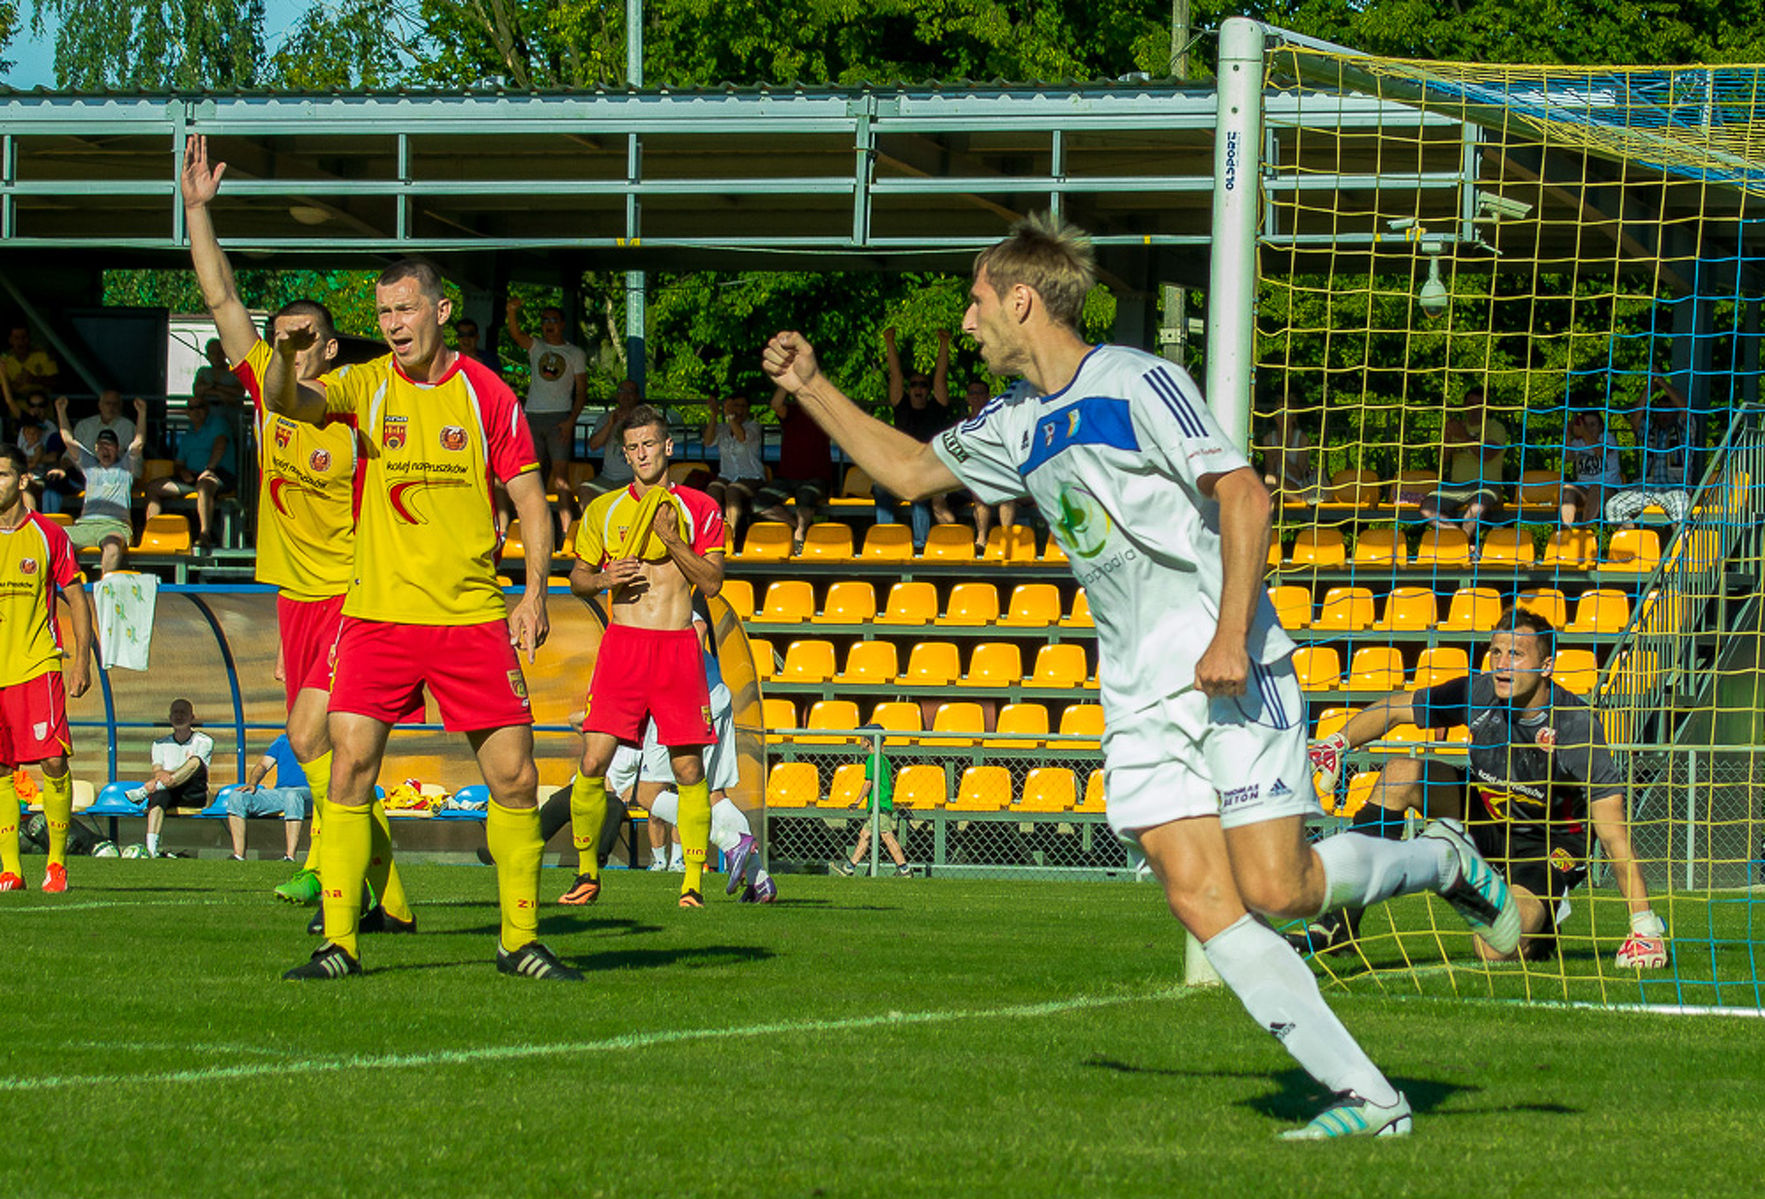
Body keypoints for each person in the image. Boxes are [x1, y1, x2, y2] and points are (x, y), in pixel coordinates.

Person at [763, 211, 1523, 1140]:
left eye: (973, 303)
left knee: (1278, 889)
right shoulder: (1010, 421)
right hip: (1137, 691)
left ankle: (1440, 856)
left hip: (1230, 666)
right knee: (1199, 896)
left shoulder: (1137, 380)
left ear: (1021, 299)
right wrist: (810, 387)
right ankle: (1370, 1098)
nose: (965, 324)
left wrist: (1230, 634)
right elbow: (913, 471)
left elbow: (1243, 492)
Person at [262, 256, 571, 982]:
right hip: (377, 615)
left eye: (405, 310)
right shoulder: (365, 384)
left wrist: (533, 593)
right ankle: (339, 942)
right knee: (349, 767)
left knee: (515, 777)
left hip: (469, 617)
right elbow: (287, 402)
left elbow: (530, 500)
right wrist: (280, 354)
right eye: (384, 314)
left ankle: (518, 940)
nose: (394, 325)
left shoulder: (485, 391)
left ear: (440, 309)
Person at [181, 133, 419, 924]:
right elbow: (218, 298)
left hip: (356, 594)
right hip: (296, 595)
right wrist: (197, 212)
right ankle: (388, 892)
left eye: (298, 335)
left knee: (314, 735)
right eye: (276, 333)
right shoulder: (268, 391)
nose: (283, 343)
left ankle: (324, 867)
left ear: (326, 342)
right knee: (320, 749)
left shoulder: (360, 405)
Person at [1301, 607, 1669, 970]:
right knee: (1400, 773)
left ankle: (1534, 930)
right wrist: (1335, 743)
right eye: (1496, 651)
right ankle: (1340, 926)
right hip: (1483, 820)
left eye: (1516, 654)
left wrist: (1644, 925)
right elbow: (1396, 709)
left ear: (1546, 666)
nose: (1502, 663)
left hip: (1543, 848)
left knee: (1494, 949)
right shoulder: (1478, 693)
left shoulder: (1575, 727)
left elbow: (1614, 835)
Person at [563, 404, 726, 908]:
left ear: (668, 447)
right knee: (593, 762)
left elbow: (713, 582)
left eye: (648, 445)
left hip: (676, 645)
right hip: (624, 646)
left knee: (688, 771)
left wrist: (671, 540)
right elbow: (577, 578)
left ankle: (693, 883)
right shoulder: (603, 508)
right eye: (631, 448)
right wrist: (604, 580)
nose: (640, 455)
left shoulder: (699, 507)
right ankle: (587, 874)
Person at [0, 443, 94, 893]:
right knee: (0, 768)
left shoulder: (49, 535)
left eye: (0, 474)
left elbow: (75, 596)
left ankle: (56, 864)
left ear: (21, 481)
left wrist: (82, 660)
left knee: (53, 760)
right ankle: (10, 869)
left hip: (37, 664)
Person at [873, 327, 955, 551]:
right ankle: (886, 538)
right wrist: (890, 342)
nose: (918, 388)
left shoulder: (937, 407)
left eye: (923, 385)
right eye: (915, 385)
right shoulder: (901, 405)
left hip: (928, 470)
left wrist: (944, 344)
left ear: (928, 391)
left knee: (918, 494)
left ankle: (920, 545)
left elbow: (941, 374)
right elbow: (895, 374)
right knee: (880, 488)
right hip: (902, 468)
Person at [504, 298, 588, 500]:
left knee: (561, 479)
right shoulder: (536, 346)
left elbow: (582, 391)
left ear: (562, 324)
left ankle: (567, 526)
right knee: (533, 476)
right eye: (544, 320)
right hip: (532, 416)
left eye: (553, 320)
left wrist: (571, 421)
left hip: (559, 418)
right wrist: (511, 311)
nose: (548, 324)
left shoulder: (575, 353)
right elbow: (516, 335)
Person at [56, 395, 146, 574]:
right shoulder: (89, 465)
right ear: (95, 449)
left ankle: (105, 590)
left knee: (112, 548)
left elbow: (139, 442)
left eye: (110, 446)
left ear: (118, 448)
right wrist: (60, 411)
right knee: (50, 539)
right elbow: (68, 439)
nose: (105, 449)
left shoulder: (126, 466)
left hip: (115, 525)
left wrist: (142, 413)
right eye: (101, 446)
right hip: (85, 525)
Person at [126, 698, 213, 860]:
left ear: (192, 717)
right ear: (169, 717)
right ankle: (151, 851)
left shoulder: (204, 741)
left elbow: (195, 768)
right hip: (167, 789)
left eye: (183, 713)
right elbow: (157, 770)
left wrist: (169, 776)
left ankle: (144, 791)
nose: (179, 716)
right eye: (175, 712)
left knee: (194, 761)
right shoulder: (159, 744)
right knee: (158, 796)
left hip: (194, 792)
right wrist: (167, 778)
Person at [753, 384, 835, 553]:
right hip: (786, 478)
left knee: (805, 495)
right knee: (758, 503)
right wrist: (787, 383)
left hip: (816, 477)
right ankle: (795, 524)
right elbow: (776, 404)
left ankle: (800, 532)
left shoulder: (826, 414)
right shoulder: (791, 412)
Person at [143, 396, 232, 549]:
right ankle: (154, 531)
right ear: (186, 412)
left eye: (200, 406)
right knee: (153, 487)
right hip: (192, 477)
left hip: (219, 473)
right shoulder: (187, 435)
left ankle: (205, 535)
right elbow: (178, 464)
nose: (196, 411)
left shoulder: (218, 423)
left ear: (207, 409)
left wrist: (209, 469)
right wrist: (182, 472)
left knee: (204, 486)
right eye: (191, 408)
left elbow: (220, 444)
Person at [1420, 386, 1509, 538]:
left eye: (1479, 405)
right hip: (1455, 487)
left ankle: (1460, 545)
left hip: (1487, 485)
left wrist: (1464, 437)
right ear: (1464, 407)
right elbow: (1442, 459)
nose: (1474, 409)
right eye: (1471, 404)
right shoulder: (1456, 427)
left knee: (1475, 510)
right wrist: (1447, 437)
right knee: (1427, 508)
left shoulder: (1496, 428)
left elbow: (1486, 454)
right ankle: (1460, 541)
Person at [1606, 379, 1693, 527]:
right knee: (1613, 507)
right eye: (1660, 409)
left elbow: (1685, 409)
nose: (1664, 413)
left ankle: (1679, 548)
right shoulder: (1650, 431)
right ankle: (1633, 544)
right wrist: (1648, 388)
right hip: (1645, 488)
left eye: (1668, 409)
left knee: (1681, 511)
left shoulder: (1684, 430)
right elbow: (1634, 419)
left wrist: (1661, 382)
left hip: (1675, 487)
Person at [829, 725, 912, 878]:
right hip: (881, 803)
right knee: (865, 834)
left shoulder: (872, 759)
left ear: (868, 742)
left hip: (878, 804)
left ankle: (904, 869)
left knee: (886, 835)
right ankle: (850, 867)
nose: (860, 742)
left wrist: (857, 801)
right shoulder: (884, 759)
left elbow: (869, 783)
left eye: (862, 739)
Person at [227, 734, 310, 862]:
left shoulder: (323, 739)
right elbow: (263, 765)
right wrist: (252, 783)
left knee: (292, 796)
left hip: (309, 792)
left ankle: (290, 856)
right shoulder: (283, 740)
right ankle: (238, 855)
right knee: (237, 796)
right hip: (281, 792)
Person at [960, 377, 1017, 550]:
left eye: (980, 393)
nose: (976, 397)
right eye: (972, 393)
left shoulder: (999, 423)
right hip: (970, 476)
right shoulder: (962, 426)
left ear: (988, 397)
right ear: (967, 398)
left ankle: (1005, 538)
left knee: (1006, 494)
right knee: (979, 492)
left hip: (998, 474)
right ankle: (982, 539)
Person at [701, 394, 766, 534]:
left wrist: (730, 417)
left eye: (743, 406)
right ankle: (708, 535)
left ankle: (732, 535)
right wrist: (714, 415)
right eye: (736, 406)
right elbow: (707, 442)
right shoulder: (723, 429)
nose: (739, 410)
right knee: (712, 491)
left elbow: (742, 437)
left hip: (751, 477)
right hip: (726, 476)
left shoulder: (754, 426)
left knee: (732, 491)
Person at [1560, 409, 1623, 525]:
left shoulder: (1608, 438)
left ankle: (1584, 530)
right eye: (1586, 425)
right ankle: (1566, 529)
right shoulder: (1578, 442)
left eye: (1593, 425)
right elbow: (1568, 457)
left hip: (1608, 491)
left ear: (1601, 427)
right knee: (1568, 489)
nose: (1589, 428)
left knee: (1596, 488)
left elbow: (1601, 451)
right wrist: (1568, 433)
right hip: (1584, 489)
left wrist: (1584, 433)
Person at [583, 379, 641, 498]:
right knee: (585, 490)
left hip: (633, 479)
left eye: (630, 391)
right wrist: (610, 424)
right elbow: (593, 445)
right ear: (617, 395)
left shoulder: (644, 419)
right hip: (607, 479)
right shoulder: (605, 418)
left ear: (637, 396)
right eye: (622, 391)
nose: (626, 395)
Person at [1256, 404, 1324, 506]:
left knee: (1271, 480)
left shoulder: (1302, 439)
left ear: (1294, 416)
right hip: (1275, 487)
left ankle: (1264, 520)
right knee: (1263, 480)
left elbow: (1299, 475)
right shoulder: (1269, 439)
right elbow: (1270, 471)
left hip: (1299, 489)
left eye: (1288, 413)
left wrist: (1280, 456)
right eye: (1279, 413)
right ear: (1274, 416)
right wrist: (1272, 458)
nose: (1283, 417)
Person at [71, 389, 138, 457]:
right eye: (108, 403)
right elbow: (71, 450)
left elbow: (134, 455)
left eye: (115, 404)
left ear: (120, 406)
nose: (111, 407)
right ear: (100, 405)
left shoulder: (128, 427)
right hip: (84, 466)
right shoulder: (84, 425)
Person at [1, 324, 59, 395]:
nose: (21, 341)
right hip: (14, 404)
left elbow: (56, 381)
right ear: (10, 340)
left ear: (29, 338)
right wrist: (14, 385)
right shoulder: (3, 360)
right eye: (16, 338)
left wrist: (34, 379)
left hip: (41, 403)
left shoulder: (43, 355)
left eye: (24, 337)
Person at [192, 338, 247, 407]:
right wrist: (220, 393)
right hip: (206, 412)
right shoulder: (203, 371)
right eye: (212, 353)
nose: (216, 357)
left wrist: (211, 387)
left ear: (225, 354)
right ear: (208, 355)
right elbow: (197, 390)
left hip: (230, 410)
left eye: (219, 353)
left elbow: (239, 391)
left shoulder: (236, 371)